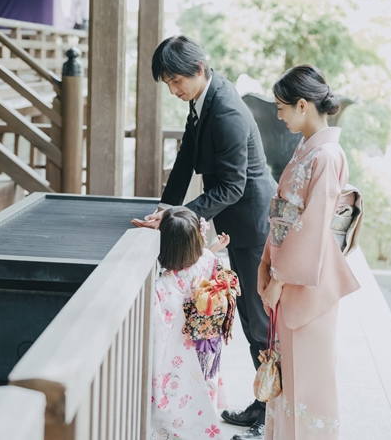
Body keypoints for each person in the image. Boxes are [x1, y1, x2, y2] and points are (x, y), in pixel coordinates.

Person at [133, 35, 276, 439]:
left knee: (257, 320)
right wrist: (165, 208)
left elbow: (232, 186)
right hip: (235, 219)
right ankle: (264, 403)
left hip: (249, 224)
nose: (174, 91)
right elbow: (185, 159)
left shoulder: (226, 110)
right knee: (252, 319)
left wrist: (181, 216)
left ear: (199, 69)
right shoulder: (203, 98)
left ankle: (271, 411)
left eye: (177, 81)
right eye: (168, 84)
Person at [257, 65, 361, 439]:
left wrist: (279, 279)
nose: (279, 115)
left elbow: (313, 226)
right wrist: (267, 264)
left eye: (282, 107)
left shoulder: (327, 155)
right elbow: (284, 215)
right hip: (291, 272)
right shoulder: (308, 149)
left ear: (303, 105)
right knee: (289, 372)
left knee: (310, 377)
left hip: (307, 278)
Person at [150, 206, 239, 439]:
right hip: (205, 341)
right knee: (204, 382)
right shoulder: (207, 260)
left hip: (178, 349)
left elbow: (158, 325)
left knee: (177, 389)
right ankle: (203, 425)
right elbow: (206, 262)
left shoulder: (163, 285)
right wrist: (215, 249)